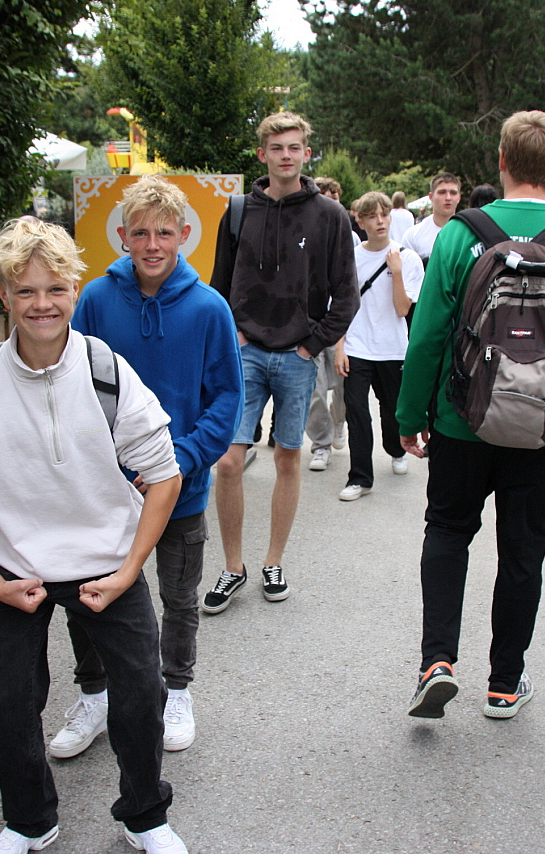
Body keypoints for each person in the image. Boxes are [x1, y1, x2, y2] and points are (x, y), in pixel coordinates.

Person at [0, 217, 189, 854]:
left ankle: (144, 816)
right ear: (4, 296)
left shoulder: (106, 372)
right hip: (12, 565)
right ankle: (28, 821)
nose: (41, 304)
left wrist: (128, 569)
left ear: (75, 289)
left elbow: (164, 476)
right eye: (25, 291)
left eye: (54, 289)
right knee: (10, 705)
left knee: (140, 695)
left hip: (105, 560)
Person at [395, 110, 545, 720]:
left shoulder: (460, 235)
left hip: (462, 418)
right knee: (522, 552)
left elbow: (428, 334)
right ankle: (504, 683)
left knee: (447, 532)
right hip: (544, 430)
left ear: (501, 160)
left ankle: (437, 662)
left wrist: (411, 414)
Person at [51, 176, 242, 760]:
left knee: (179, 598)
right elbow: (72, 384)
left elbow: (226, 399)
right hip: (105, 489)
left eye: (163, 233)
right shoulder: (95, 301)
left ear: (184, 235)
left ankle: (175, 690)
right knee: (89, 594)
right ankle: (95, 693)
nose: (152, 244)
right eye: (140, 233)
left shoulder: (210, 308)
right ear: (123, 237)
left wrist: (181, 459)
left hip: (181, 489)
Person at [204, 111, 359, 614]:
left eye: (294, 147)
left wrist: (312, 345)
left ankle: (273, 561)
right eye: (277, 148)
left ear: (306, 153)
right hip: (246, 354)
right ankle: (233, 567)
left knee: (288, 458)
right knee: (229, 461)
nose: (286, 155)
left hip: (297, 357)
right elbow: (218, 285)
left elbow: (347, 295)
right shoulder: (238, 211)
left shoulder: (330, 216)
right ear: (262, 154)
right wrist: (234, 334)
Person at [335, 191, 424, 501]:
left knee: (391, 411)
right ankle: (360, 478)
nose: (380, 221)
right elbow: (340, 307)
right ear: (360, 222)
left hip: (393, 349)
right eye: (372, 216)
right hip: (356, 347)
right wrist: (339, 347)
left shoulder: (407, 258)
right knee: (357, 412)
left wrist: (395, 271)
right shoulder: (349, 258)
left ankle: (395, 449)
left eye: (384, 215)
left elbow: (402, 309)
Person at [305, 175, 351, 471]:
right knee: (315, 390)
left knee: (344, 387)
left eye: (333, 197)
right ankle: (320, 444)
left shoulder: (350, 236)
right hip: (309, 325)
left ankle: (339, 421)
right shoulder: (304, 231)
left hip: (341, 326)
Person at [402, 172, 462, 263]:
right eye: (442, 192)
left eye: (453, 193)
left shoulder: (468, 233)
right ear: (431, 196)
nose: (448, 197)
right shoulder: (413, 235)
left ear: (459, 198)